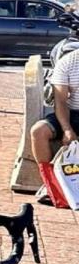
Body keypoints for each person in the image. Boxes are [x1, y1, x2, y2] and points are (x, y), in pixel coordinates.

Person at [30, 49, 79, 207]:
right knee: (38, 131)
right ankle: (51, 185)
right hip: (72, 113)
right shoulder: (68, 62)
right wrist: (67, 129)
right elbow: (61, 102)